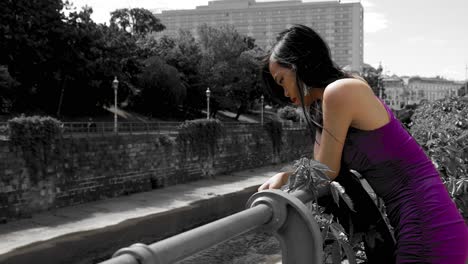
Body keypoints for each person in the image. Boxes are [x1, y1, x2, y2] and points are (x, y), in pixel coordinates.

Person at [258, 24, 468, 263]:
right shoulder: (343, 88)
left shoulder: (340, 92)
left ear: (298, 67)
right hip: (423, 216)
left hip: (425, 221)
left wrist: (287, 177)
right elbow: (322, 162)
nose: (284, 92)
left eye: (282, 80)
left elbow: (325, 171)